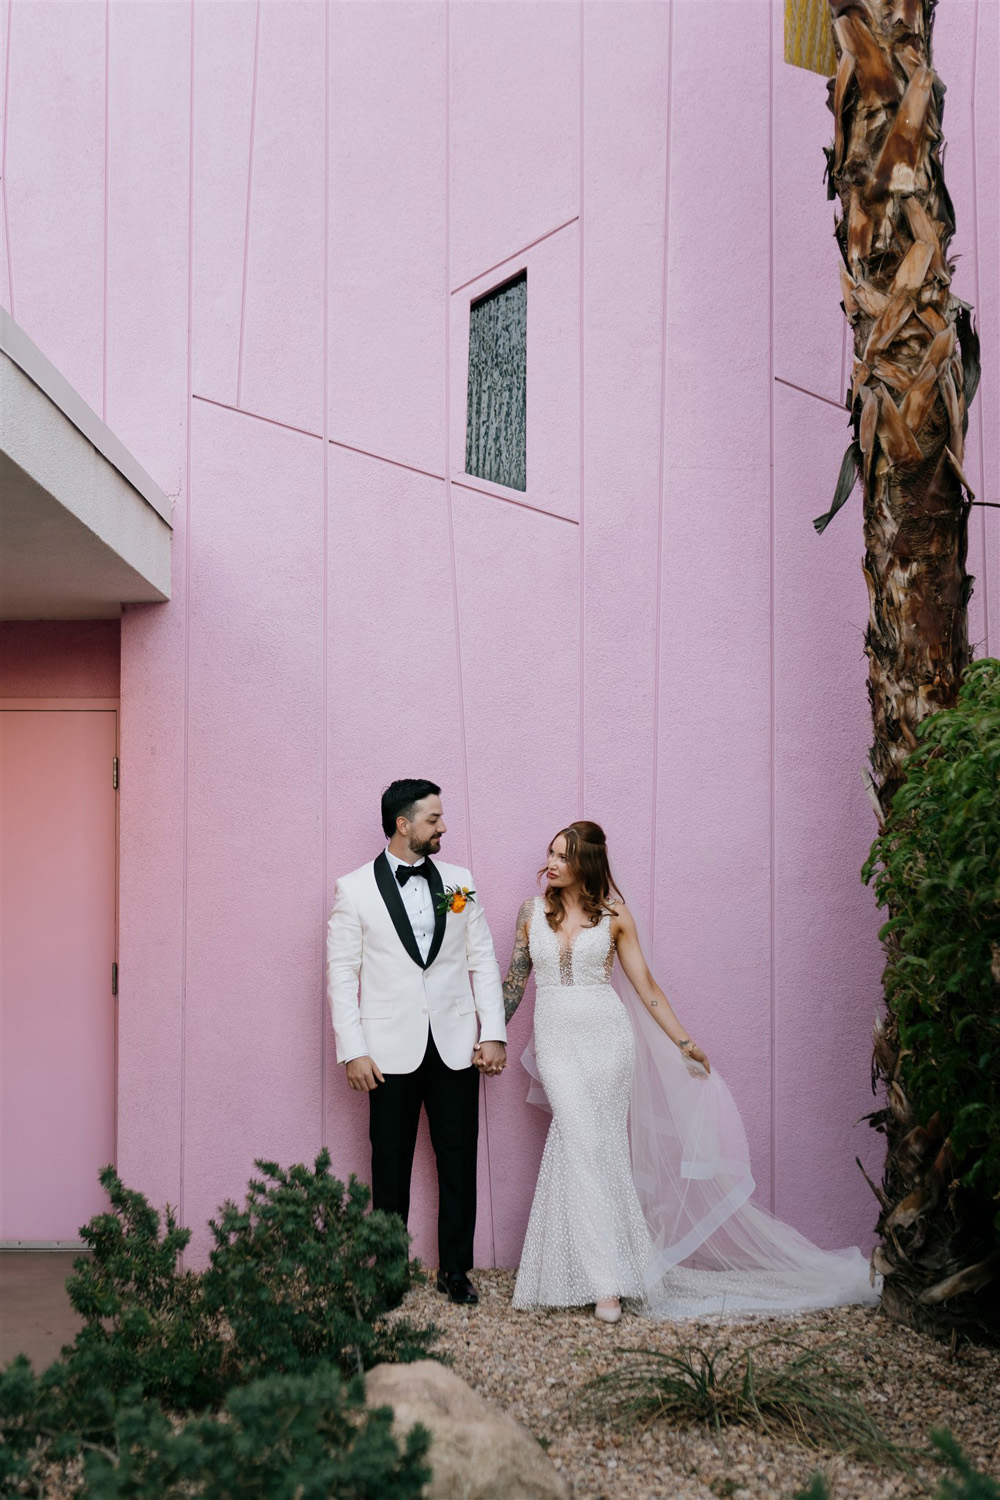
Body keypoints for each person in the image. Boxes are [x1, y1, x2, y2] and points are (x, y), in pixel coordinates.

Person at [503, 820, 878, 1323]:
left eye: (562, 856)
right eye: (549, 853)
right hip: (556, 1042)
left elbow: (648, 988)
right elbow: (514, 984)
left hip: (608, 1042)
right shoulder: (532, 913)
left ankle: (605, 1283)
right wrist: (488, 1036)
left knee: (601, 1148)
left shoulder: (615, 915)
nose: (550, 863)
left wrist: (684, 1042)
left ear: (586, 864)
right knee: (578, 1140)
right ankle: (606, 1275)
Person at [327, 779, 507, 1305]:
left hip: (455, 1044)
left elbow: (481, 958)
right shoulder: (353, 889)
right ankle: (388, 1274)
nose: (443, 827)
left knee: (459, 1162)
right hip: (386, 1051)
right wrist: (352, 1049)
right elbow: (342, 974)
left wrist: (492, 1032)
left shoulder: (458, 882)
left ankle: (455, 1271)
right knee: (390, 1166)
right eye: (433, 819)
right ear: (403, 824)